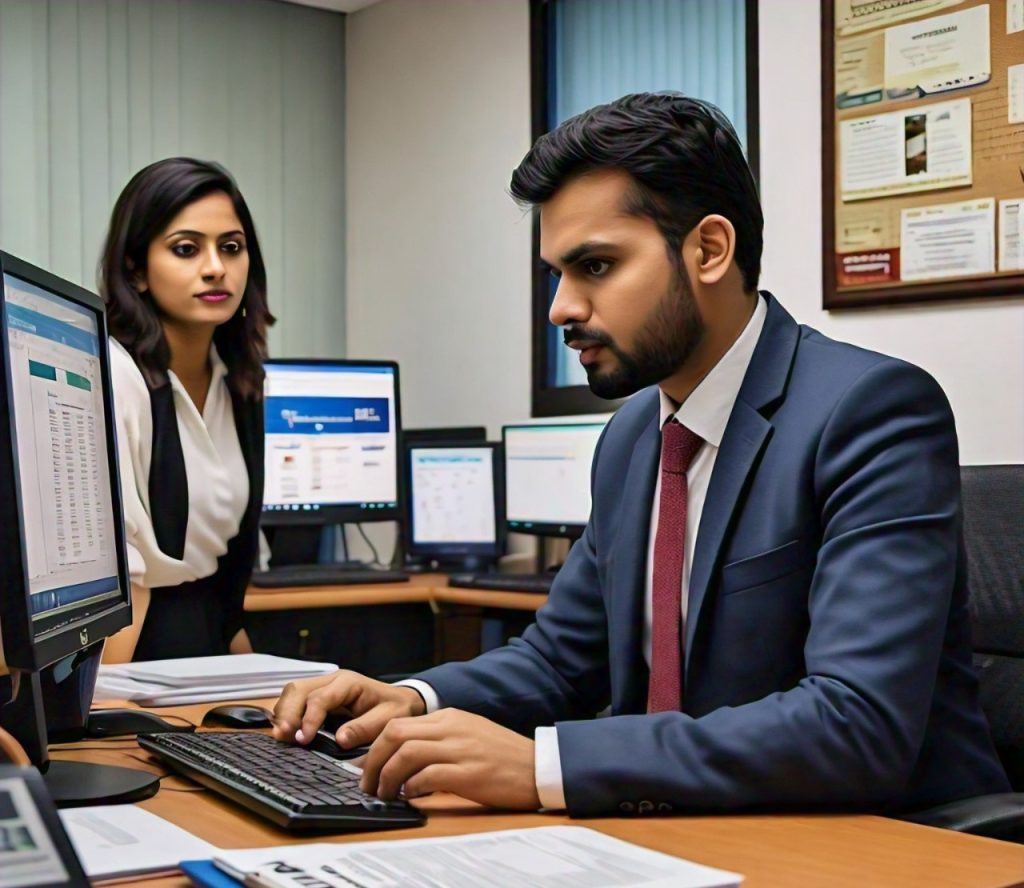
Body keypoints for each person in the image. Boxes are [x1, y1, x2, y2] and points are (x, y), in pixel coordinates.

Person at [273, 94, 1008, 815]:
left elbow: (858, 724)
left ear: (709, 250)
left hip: (886, 844)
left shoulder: (870, 411)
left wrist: (543, 766)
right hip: (686, 834)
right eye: (555, 274)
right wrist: (412, 697)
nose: (560, 307)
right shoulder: (632, 437)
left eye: (595, 266)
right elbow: (562, 657)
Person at [100, 158, 273, 662]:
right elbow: (123, 584)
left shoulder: (239, 381)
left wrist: (270, 694)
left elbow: (224, 586)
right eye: (186, 249)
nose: (216, 266)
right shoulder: (115, 377)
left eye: (231, 248)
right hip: (128, 650)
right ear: (137, 270)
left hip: (203, 645)